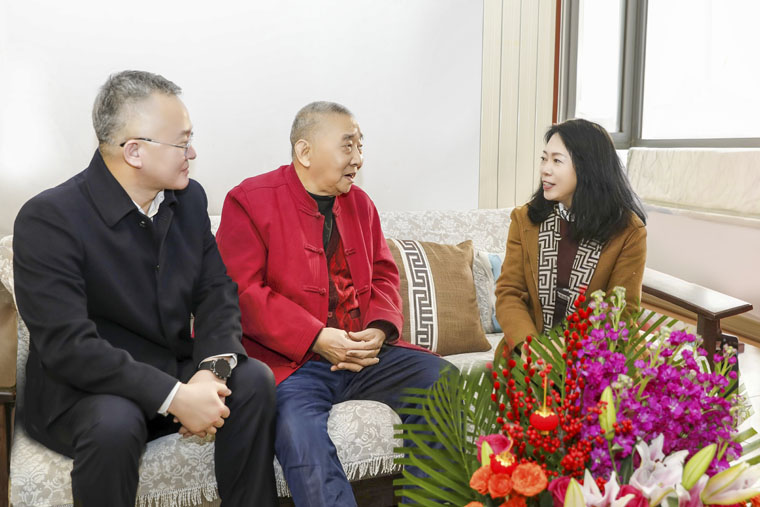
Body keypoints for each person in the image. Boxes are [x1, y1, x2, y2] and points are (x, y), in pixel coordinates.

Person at [13, 70, 278, 506]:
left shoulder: (188, 200)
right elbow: (69, 346)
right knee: (115, 422)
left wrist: (211, 372)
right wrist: (176, 398)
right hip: (85, 390)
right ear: (134, 151)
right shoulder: (49, 218)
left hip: (167, 368)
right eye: (181, 142)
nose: (192, 153)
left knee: (252, 380)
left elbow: (216, 292)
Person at [216, 101, 450, 506]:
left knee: (444, 383)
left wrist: (378, 329)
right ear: (305, 152)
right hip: (293, 363)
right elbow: (242, 291)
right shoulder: (249, 200)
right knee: (296, 430)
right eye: (348, 146)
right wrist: (315, 336)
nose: (358, 158)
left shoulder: (360, 204)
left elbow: (383, 274)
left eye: (360, 146)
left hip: (364, 355)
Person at [494, 118, 647, 357]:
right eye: (544, 158)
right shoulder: (525, 219)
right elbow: (509, 292)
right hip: (528, 353)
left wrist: (567, 352)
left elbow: (621, 312)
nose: (545, 169)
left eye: (557, 160)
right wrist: (530, 347)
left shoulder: (628, 231)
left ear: (588, 168)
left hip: (594, 357)